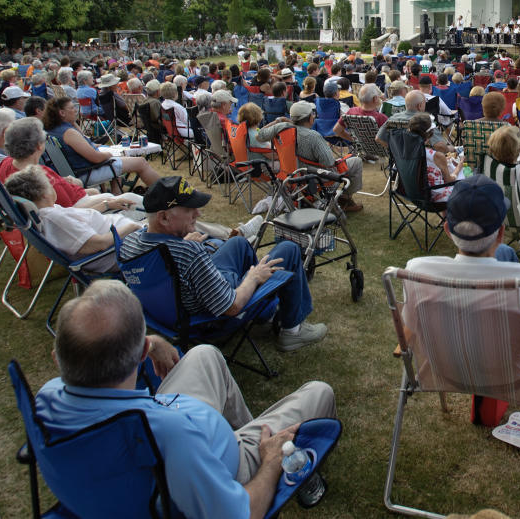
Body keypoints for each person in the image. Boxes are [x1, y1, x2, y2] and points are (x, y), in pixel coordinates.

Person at [32, 280, 336, 519]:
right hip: (215, 466)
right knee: (320, 392)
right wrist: (270, 463)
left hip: (159, 428)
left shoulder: (47, 399)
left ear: (56, 359)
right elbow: (243, 515)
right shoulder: (167, 435)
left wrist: (152, 346)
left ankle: (251, 429)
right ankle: (279, 458)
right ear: (139, 355)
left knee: (205, 355)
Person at [117, 176, 326, 350]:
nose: (197, 214)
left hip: (172, 313)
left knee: (238, 244)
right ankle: (292, 330)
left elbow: (172, 262)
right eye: (189, 209)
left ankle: (268, 312)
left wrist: (182, 244)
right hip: (209, 320)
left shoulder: (130, 244)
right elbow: (231, 307)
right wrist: (253, 278)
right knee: (289, 249)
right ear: (163, 218)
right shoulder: (188, 253)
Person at [406, 175, 520, 336]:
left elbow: (411, 323)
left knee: (504, 252)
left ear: (448, 230)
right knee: (505, 252)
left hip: (442, 367)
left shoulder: (416, 272)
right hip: (509, 366)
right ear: (500, 233)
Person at [4, 166, 139, 272]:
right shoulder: (54, 219)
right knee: (146, 210)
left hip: (119, 236)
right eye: (50, 184)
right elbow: (100, 243)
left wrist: (107, 204)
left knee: (135, 202)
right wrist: (135, 227)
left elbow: (77, 215)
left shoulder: (46, 211)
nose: (53, 187)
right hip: (121, 248)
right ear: (44, 194)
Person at [252, 101, 364, 212]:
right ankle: (345, 199)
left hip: (290, 176)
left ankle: (319, 200)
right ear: (310, 118)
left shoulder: (281, 128)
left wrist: (278, 121)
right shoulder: (312, 136)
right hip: (315, 177)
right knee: (356, 161)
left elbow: (259, 135)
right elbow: (329, 163)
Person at [41, 97, 161, 192]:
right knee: (141, 162)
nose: (75, 111)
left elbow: (83, 141)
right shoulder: (68, 133)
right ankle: (165, 193)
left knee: (118, 162)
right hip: (86, 172)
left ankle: (117, 195)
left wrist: (74, 123)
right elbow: (96, 158)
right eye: (72, 108)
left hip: (76, 170)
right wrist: (108, 154)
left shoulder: (52, 130)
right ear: (62, 113)